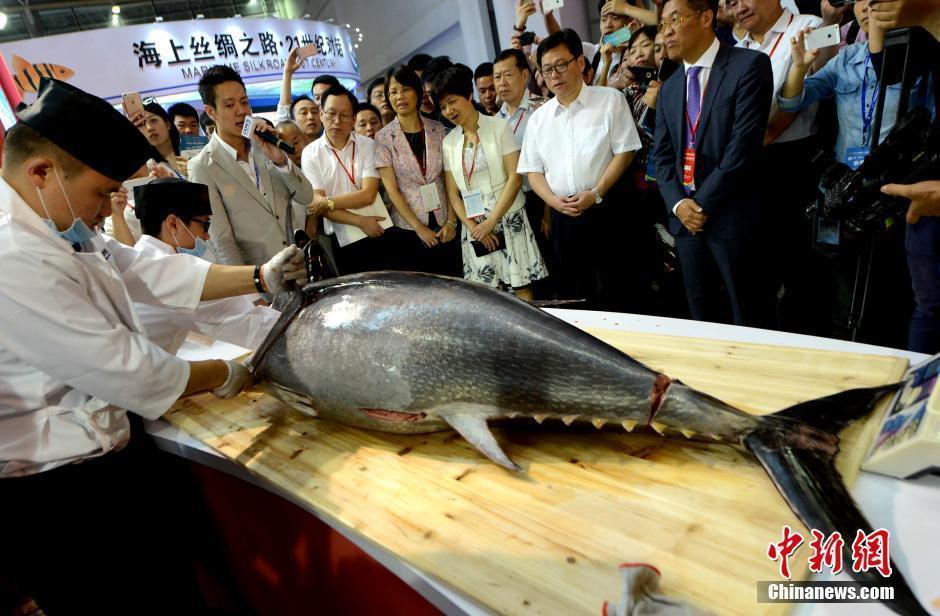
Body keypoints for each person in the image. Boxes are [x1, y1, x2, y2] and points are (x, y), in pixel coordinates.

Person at [0, 78, 306, 614]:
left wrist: (259, 276)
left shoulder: (56, 224)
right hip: (58, 496)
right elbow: (131, 371)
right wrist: (226, 374)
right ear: (42, 172)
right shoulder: (11, 254)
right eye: (101, 193)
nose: (107, 210)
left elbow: (147, 271)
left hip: (115, 456)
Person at [652, 0, 774, 325]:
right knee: (703, 320)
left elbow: (742, 150)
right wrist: (680, 205)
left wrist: (700, 206)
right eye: (663, 24)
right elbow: (662, 158)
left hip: (733, 217)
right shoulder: (671, 88)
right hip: (686, 224)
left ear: (706, 17)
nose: (668, 31)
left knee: (750, 319)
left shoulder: (749, 65)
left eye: (675, 19)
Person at [517, 29, 642, 308]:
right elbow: (533, 171)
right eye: (547, 69)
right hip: (565, 216)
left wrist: (596, 192)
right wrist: (553, 202)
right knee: (576, 296)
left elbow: (625, 152)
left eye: (561, 65)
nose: (554, 75)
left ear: (580, 63)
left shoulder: (609, 100)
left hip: (608, 207)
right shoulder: (539, 119)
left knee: (621, 289)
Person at [434, 67, 547, 300]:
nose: (448, 111)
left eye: (452, 102)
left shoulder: (499, 126)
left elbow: (515, 178)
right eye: (443, 106)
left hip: (507, 216)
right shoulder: (449, 142)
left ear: (468, 95)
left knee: (522, 287)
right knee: (490, 295)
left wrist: (492, 220)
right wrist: (475, 227)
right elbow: (453, 194)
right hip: (474, 225)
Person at [132, 178, 280, 354]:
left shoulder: (143, 257)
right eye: (205, 225)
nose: (207, 237)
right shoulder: (170, 271)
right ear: (173, 224)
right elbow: (249, 324)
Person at [188, 65, 314, 267]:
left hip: (300, 263)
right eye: (229, 105)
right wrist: (250, 294)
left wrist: (280, 162)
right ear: (211, 112)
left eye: (244, 102)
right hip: (260, 276)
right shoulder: (202, 166)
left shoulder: (265, 144)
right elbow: (222, 240)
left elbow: (306, 196)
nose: (241, 111)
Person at [302, 85, 397, 274]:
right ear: (321, 113)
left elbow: (368, 194)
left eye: (344, 115)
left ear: (353, 119)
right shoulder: (310, 154)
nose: (337, 121)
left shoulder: (368, 146)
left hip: (378, 230)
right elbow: (318, 205)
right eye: (331, 114)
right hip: (342, 238)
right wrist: (360, 221)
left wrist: (326, 202)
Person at [375, 66, 460, 275]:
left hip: (445, 226)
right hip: (408, 230)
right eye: (393, 92)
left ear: (418, 91)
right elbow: (392, 190)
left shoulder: (438, 129)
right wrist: (419, 228)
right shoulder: (383, 138)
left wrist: (451, 221)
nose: (399, 96)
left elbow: (449, 179)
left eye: (405, 89)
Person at [493, 48, 552, 290]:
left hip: (544, 199)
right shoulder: (495, 121)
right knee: (527, 276)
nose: (501, 83)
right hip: (513, 203)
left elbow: (552, 163)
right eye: (497, 77)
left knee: (551, 267)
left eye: (507, 75)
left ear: (524, 74)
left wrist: (548, 210)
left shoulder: (543, 109)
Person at [277, 47, 324, 140]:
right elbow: (284, 113)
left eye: (314, 112)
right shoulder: (293, 152)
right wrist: (287, 72)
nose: (310, 117)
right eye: (303, 113)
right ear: (293, 120)